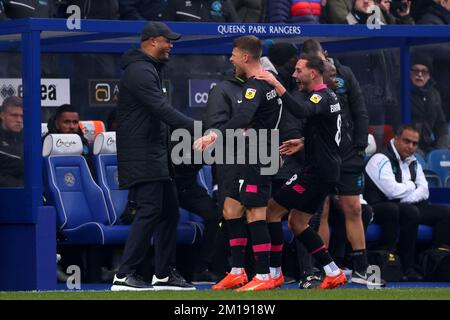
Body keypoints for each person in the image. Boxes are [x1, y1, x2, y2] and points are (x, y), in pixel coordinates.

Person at [111, 22, 196, 291]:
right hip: (141, 153)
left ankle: (163, 273)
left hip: (155, 153)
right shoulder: (139, 71)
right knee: (150, 209)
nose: (171, 45)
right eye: (166, 40)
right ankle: (124, 275)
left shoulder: (150, 69)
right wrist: (199, 128)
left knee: (170, 210)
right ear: (150, 41)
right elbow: (160, 109)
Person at [194, 35, 283, 292]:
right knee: (231, 209)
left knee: (256, 213)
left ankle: (264, 276)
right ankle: (236, 272)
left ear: (245, 57)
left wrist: (214, 134)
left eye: (233, 54)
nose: (230, 58)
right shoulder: (269, 84)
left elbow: (243, 116)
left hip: (258, 156)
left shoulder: (255, 86)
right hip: (248, 155)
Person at [256, 54, 348, 289]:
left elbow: (301, 111)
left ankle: (274, 274)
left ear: (313, 73)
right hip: (324, 170)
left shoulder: (320, 96)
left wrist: (277, 86)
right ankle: (333, 271)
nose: (295, 75)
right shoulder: (330, 97)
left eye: (299, 71)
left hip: (316, 172)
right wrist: (304, 141)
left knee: (272, 211)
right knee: (298, 222)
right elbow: (333, 133)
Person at [301, 39, 382, 286]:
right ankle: (327, 269)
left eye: (321, 60)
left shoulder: (345, 73)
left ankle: (360, 268)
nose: (319, 64)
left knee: (354, 208)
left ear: (325, 56)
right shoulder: (305, 83)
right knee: (321, 211)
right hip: (321, 154)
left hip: (348, 154)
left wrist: (359, 147)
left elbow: (359, 110)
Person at [364, 125, 450, 280]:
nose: (411, 147)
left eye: (415, 143)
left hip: (404, 205)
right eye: (407, 141)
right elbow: (391, 192)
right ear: (396, 138)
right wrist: (411, 187)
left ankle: (433, 262)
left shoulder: (414, 161)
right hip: (379, 207)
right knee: (409, 212)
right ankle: (405, 266)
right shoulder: (380, 158)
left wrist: (406, 195)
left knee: (444, 212)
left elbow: (424, 190)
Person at [409, 53, 450, 156]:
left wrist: (441, 148)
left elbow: (441, 125)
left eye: (424, 71)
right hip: (408, 147)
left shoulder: (434, 94)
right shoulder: (401, 93)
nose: (419, 75)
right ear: (409, 73)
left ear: (429, 76)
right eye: (416, 70)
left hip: (427, 146)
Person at [0, 96, 23, 188]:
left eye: (22, 116)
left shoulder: (29, 137)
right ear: (2, 115)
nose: (19, 120)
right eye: (14, 115)